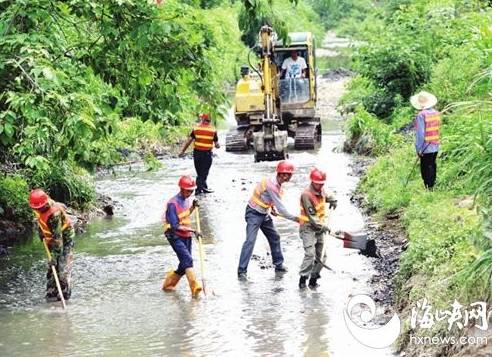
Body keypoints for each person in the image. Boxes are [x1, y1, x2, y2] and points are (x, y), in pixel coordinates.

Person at [237, 160, 299, 280]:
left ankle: (278, 264)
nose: (291, 176)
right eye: (290, 174)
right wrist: (296, 219)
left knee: (274, 237)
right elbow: (282, 209)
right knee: (250, 241)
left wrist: (272, 207)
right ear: (283, 175)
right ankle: (241, 271)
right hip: (253, 213)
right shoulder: (272, 186)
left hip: (263, 213)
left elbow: (266, 197)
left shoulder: (276, 183)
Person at [29, 189, 74, 301]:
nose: (38, 209)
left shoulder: (54, 213)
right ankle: (52, 292)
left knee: (62, 268)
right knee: (52, 268)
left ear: (44, 204)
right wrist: (41, 231)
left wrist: (54, 256)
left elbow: (58, 240)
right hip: (51, 238)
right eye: (36, 208)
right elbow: (40, 220)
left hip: (65, 239)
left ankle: (64, 294)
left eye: (40, 208)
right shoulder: (37, 207)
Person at [162, 175, 202, 298]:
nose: (190, 193)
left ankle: (168, 284)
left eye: (191, 190)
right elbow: (174, 225)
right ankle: (195, 288)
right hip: (174, 235)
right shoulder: (172, 204)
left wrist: (192, 208)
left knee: (184, 263)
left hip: (186, 234)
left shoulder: (187, 200)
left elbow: (184, 215)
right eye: (188, 190)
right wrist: (193, 230)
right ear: (181, 188)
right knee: (188, 261)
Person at [298, 168, 337, 289]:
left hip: (320, 228)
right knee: (310, 254)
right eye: (317, 184)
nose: (320, 186)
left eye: (322, 184)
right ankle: (303, 280)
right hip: (308, 227)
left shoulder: (322, 190)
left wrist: (333, 199)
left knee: (322, 256)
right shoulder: (306, 195)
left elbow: (327, 194)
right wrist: (324, 226)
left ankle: (313, 279)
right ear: (312, 182)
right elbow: (312, 217)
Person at [179, 113, 220, 194]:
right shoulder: (213, 130)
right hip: (207, 155)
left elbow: (189, 141)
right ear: (209, 121)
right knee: (203, 173)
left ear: (202, 120)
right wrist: (217, 145)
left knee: (200, 173)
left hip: (197, 154)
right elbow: (216, 144)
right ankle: (197, 191)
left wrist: (182, 151)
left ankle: (204, 188)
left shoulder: (196, 129)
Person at [411, 91, 441, 189]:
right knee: (432, 164)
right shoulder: (436, 113)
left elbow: (420, 134)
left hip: (425, 146)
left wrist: (418, 148)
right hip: (435, 144)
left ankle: (428, 187)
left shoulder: (421, 115)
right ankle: (432, 185)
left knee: (425, 167)